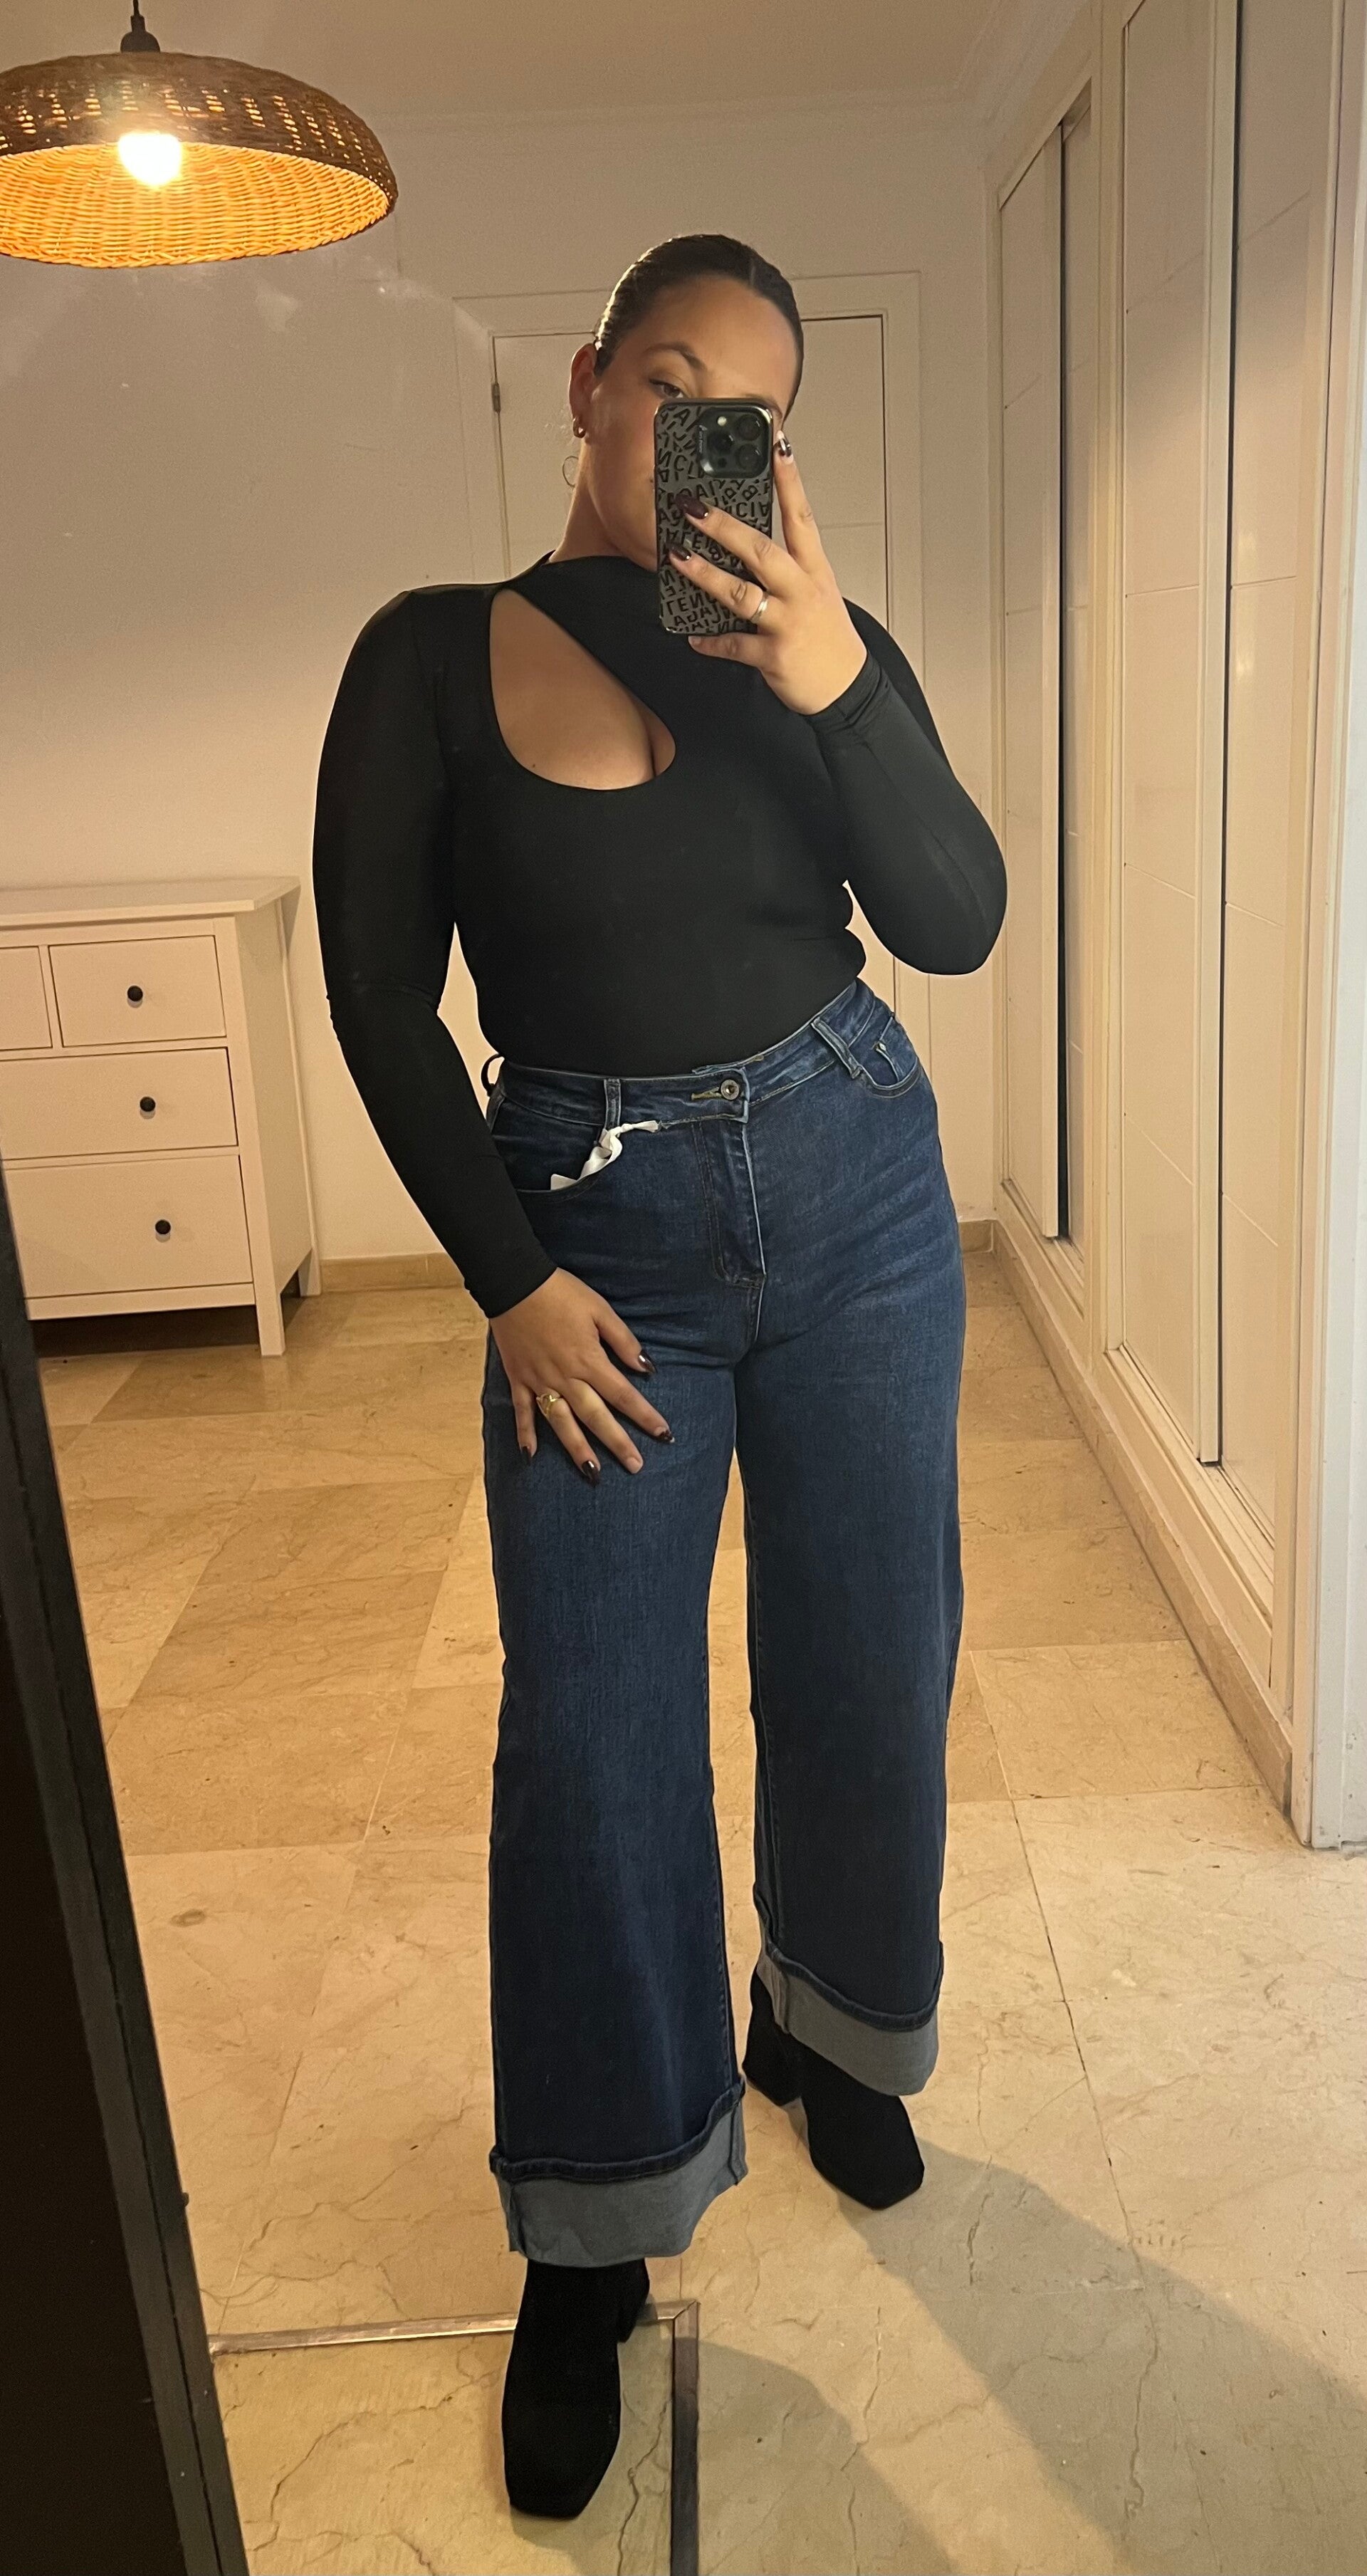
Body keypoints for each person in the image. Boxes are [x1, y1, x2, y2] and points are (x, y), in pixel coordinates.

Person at [312, 231, 1006, 2521]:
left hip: (854, 1175)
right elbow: (381, 997)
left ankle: (832, 2023)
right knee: (595, 1731)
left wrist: (840, 676)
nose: (705, 431)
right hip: (592, 1229)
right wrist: (507, 1277)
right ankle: (594, 2223)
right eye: (674, 381)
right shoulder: (427, 656)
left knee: (871, 1649)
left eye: (756, 413)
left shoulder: (816, 648)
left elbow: (955, 913)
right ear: (592, 383)